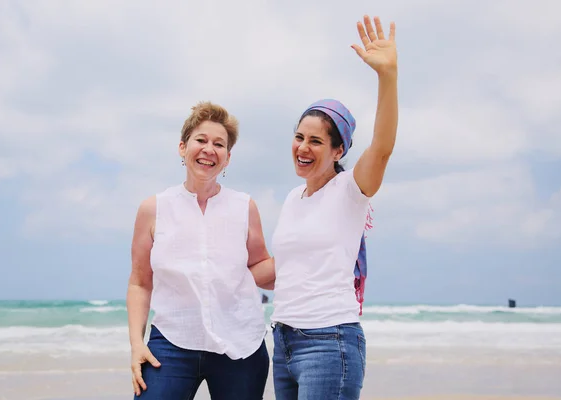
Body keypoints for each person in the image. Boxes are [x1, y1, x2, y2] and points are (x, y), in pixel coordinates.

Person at [258, 15, 399, 399]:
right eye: (299, 137)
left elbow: (383, 148)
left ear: (339, 150)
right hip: (284, 341)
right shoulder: (293, 199)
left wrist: (387, 76)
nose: (303, 147)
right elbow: (284, 267)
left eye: (316, 142)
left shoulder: (351, 190)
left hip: (328, 342)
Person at [126, 102, 272, 399]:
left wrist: (303, 257)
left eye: (219, 144)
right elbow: (140, 282)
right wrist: (136, 344)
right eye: (201, 140)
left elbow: (260, 268)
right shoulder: (153, 209)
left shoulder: (245, 207)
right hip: (171, 343)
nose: (209, 149)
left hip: (240, 346)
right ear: (183, 147)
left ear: (227, 158)